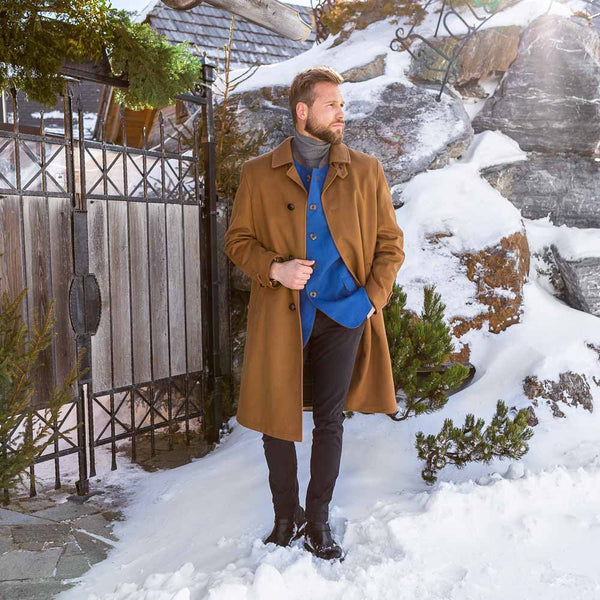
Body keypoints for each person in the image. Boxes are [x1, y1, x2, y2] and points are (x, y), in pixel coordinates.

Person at [224, 66, 405, 561]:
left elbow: (391, 244)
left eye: (342, 105)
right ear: (303, 112)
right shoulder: (257, 173)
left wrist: (371, 298)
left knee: (330, 420)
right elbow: (237, 241)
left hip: (345, 314)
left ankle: (318, 519)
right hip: (282, 316)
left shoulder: (365, 171)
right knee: (274, 419)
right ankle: (287, 517)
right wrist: (274, 269)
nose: (341, 113)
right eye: (332, 105)